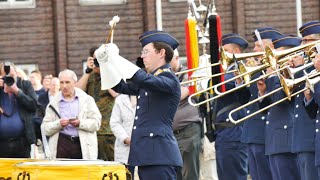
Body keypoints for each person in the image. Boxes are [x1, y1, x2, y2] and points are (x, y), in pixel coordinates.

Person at [95, 30, 183, 179]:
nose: (142, 56)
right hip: (147, 156)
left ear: (161, 53)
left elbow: (142, 79)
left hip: (160, 155)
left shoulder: (169, 79)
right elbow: (119, 87)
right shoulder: (150, 81)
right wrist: (105, 63)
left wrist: (116, 58)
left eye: (146, 51)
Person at [241, 28, 282, 180]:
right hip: (252, 131)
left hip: (265, 132)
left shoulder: (276, 69)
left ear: (270, 48)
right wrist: (241, 79)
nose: (254, 49)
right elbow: (249, 97)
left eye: (259, 46)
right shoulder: (258, 68)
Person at [213, 33, 251, 180]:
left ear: (236, 52)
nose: (222, 55)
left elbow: (225, 84)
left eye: (226, 50)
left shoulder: (240, 69)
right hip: (223, 133)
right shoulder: (226, 71)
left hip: (234, 132)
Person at [41, 69, 101, 159]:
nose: (64, 86)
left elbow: (96, 124)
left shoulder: (87, 100)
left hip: (82, 145)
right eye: (61, 82)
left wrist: (80, 123)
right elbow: (45, 128)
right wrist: (58, 124)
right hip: (61, 144)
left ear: (75, 83)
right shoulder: (53, 103)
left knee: (82, 173)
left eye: (67, 82)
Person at [77, 46, 119, 161]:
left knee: (109, 164)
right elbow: (78, 92)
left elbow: (116, 93)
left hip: (107, 129)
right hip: (91, 126)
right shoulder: (89, 76)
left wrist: (104, 69)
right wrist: (87, 71)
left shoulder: (111, 74)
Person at [170, 49, 202, 180]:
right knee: (174, 174)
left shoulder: (189, 74)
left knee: (190, 174)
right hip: (171, 135)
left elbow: (178, 95)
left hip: (188, 131)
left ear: (177, 58)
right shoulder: (164, 76)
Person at [0, 62, 38, 158]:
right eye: (6, 76)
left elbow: (34, 105)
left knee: (22, 172)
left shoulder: (25, 85)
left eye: (12, 75)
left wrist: (17, 92)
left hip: (22, 142)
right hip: (1, 143)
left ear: (16, 73)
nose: (10, 78)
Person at [110, 94, 137, 179]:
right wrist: (125, 138)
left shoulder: (147, 97)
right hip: (124, 148)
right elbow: (115, 123)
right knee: (125, 175)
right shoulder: (120, 99)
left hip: (143, 147)